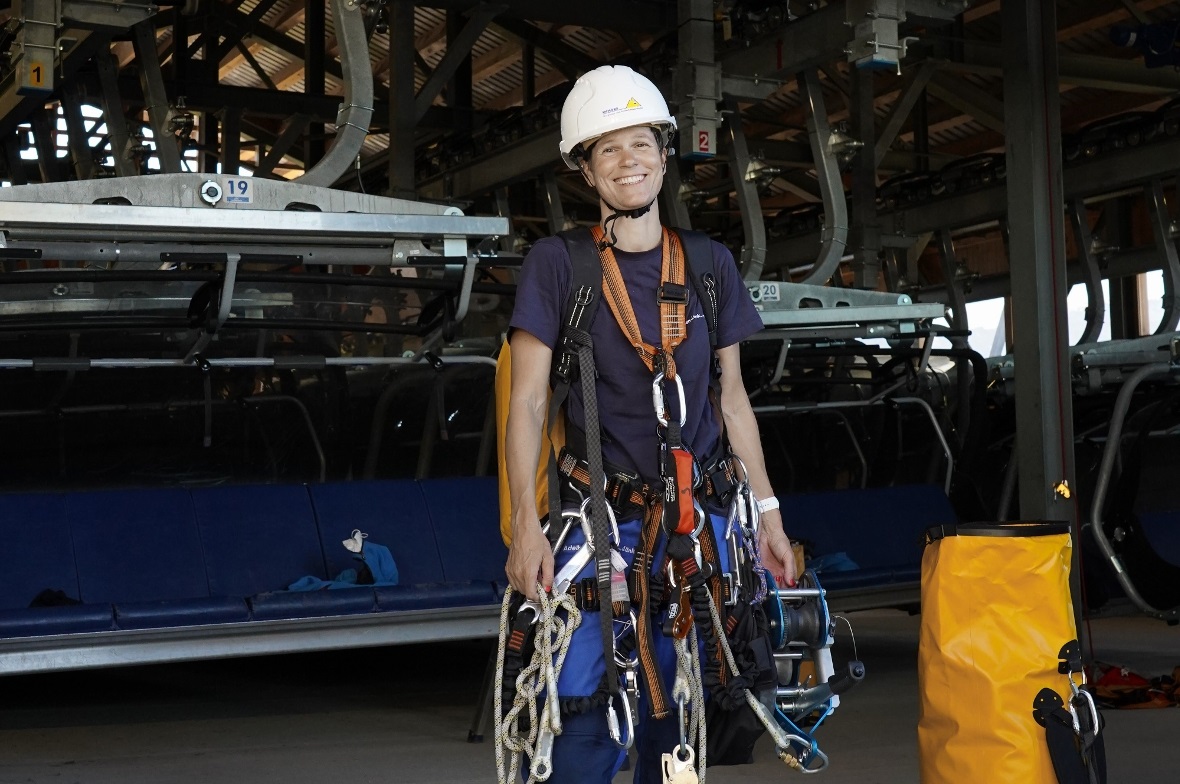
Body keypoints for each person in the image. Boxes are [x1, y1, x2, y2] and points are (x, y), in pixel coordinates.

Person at [503, 64, 797, 784]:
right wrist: (525, 526)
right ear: (585, 169)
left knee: (677, 718)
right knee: (580, 713)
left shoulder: (708, 265)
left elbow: (732, 400)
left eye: (641, 145)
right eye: (608, 149)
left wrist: (768, 514)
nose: (627, 162)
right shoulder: (558, 266)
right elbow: (529, 404)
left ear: (666, 156)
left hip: (692, 529)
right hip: (599, 527)